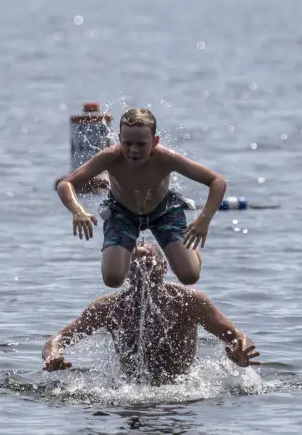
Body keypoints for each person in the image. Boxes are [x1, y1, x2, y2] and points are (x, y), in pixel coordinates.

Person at [42, 242, 260, 385]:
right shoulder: (108, 307)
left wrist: (240, 354)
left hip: (181, 389)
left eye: (148, 263)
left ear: (165, 267)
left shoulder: (189, 301)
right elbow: (57, 339)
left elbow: (236, 335)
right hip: (131, 390)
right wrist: (53, 354)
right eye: (133, 264)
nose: (142, 270)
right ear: (123, 270)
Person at [56, 107, 228, 288]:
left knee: (189, 276)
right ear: (119, 138)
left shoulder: (167, 158)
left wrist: (204, 219)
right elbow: (65, 184)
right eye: (127, 143)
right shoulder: (109, 157)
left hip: (163, 210)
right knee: (113, 280)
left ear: (155, 141)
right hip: (122, 212)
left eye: (141, 144)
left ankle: (188, 254)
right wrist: (78, 211)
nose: (133, 150)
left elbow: (217, 181)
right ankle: (134, 250)